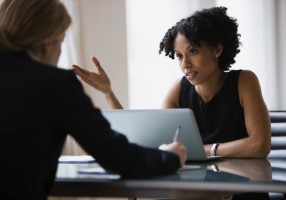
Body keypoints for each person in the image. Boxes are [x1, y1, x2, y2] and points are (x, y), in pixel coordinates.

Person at [0, 0, 187, 199]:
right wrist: (170, 157)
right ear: (47, 44)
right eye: (61, 41)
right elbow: (118, 157)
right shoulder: (54, 84)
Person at [72, 7, 271, 159]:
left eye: (193, 51)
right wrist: (108, 93)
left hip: (242, 188)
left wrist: (203, 150)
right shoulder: (179, 89)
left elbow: (260, 145)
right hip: (199, 189)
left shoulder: (244, 81)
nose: (185, 64)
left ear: (217, 49)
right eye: (178, 56)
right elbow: (146, 141)